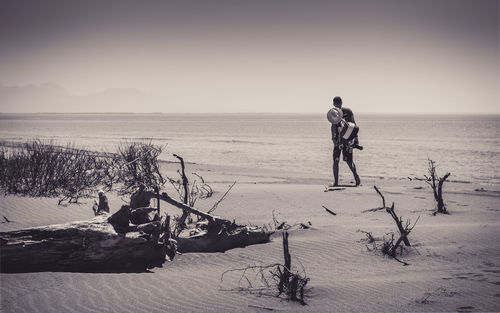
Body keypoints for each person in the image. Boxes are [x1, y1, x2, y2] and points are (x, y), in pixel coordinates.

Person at [329, 96, 361, 187]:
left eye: (336, 103)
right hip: (344, 140)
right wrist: (356, 139)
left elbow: (334, 126)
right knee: (345, 160)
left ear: (335, 103)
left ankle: (337, 182)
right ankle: (355, 178)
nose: (336, 105)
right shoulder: (343, 112)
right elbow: (353, 125)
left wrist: (333, 139)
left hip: (342, 140)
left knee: (340, 160)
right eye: (336, 104)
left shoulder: (337, 112)